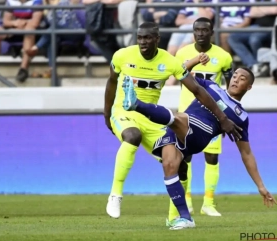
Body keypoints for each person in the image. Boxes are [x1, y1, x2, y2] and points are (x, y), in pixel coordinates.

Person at [104, 22, 241, 222]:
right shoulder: (122, 55)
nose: (143, 42)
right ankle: (115, 195)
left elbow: (197, 90)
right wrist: (107, 114)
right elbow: (112, 82)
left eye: (148, 38)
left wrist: (223, 118)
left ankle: (175, 218)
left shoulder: (169, 62)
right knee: (133, 135)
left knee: (180, 164)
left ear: (157, 39)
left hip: (151, 120)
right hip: (123, 112)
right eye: (140, 37)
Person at [122, 67, 277, 229]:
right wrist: (193, 61)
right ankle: (186, 218)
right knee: (169, 166)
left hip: (200, 133)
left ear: (249, 87)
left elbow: (246, 153)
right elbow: (184, 75)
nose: (236, 79)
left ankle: (136, 104)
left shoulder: (240, 116)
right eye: (235, 76)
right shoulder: (211, 85)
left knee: (177, 117)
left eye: (242, 78)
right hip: (179, 128)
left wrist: (261, 186)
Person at [168, 17, 233, 222]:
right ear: (193, 32)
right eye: (197, 30)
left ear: (211, 32)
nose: (201, 33)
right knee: (184, 158)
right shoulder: (183, 53)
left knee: (211, 157)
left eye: (205, 30)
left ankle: (209, 203)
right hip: (186, 114)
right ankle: (186, 201)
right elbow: (178, 76)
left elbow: (229, 90)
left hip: (211, 116)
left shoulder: (223, 57)